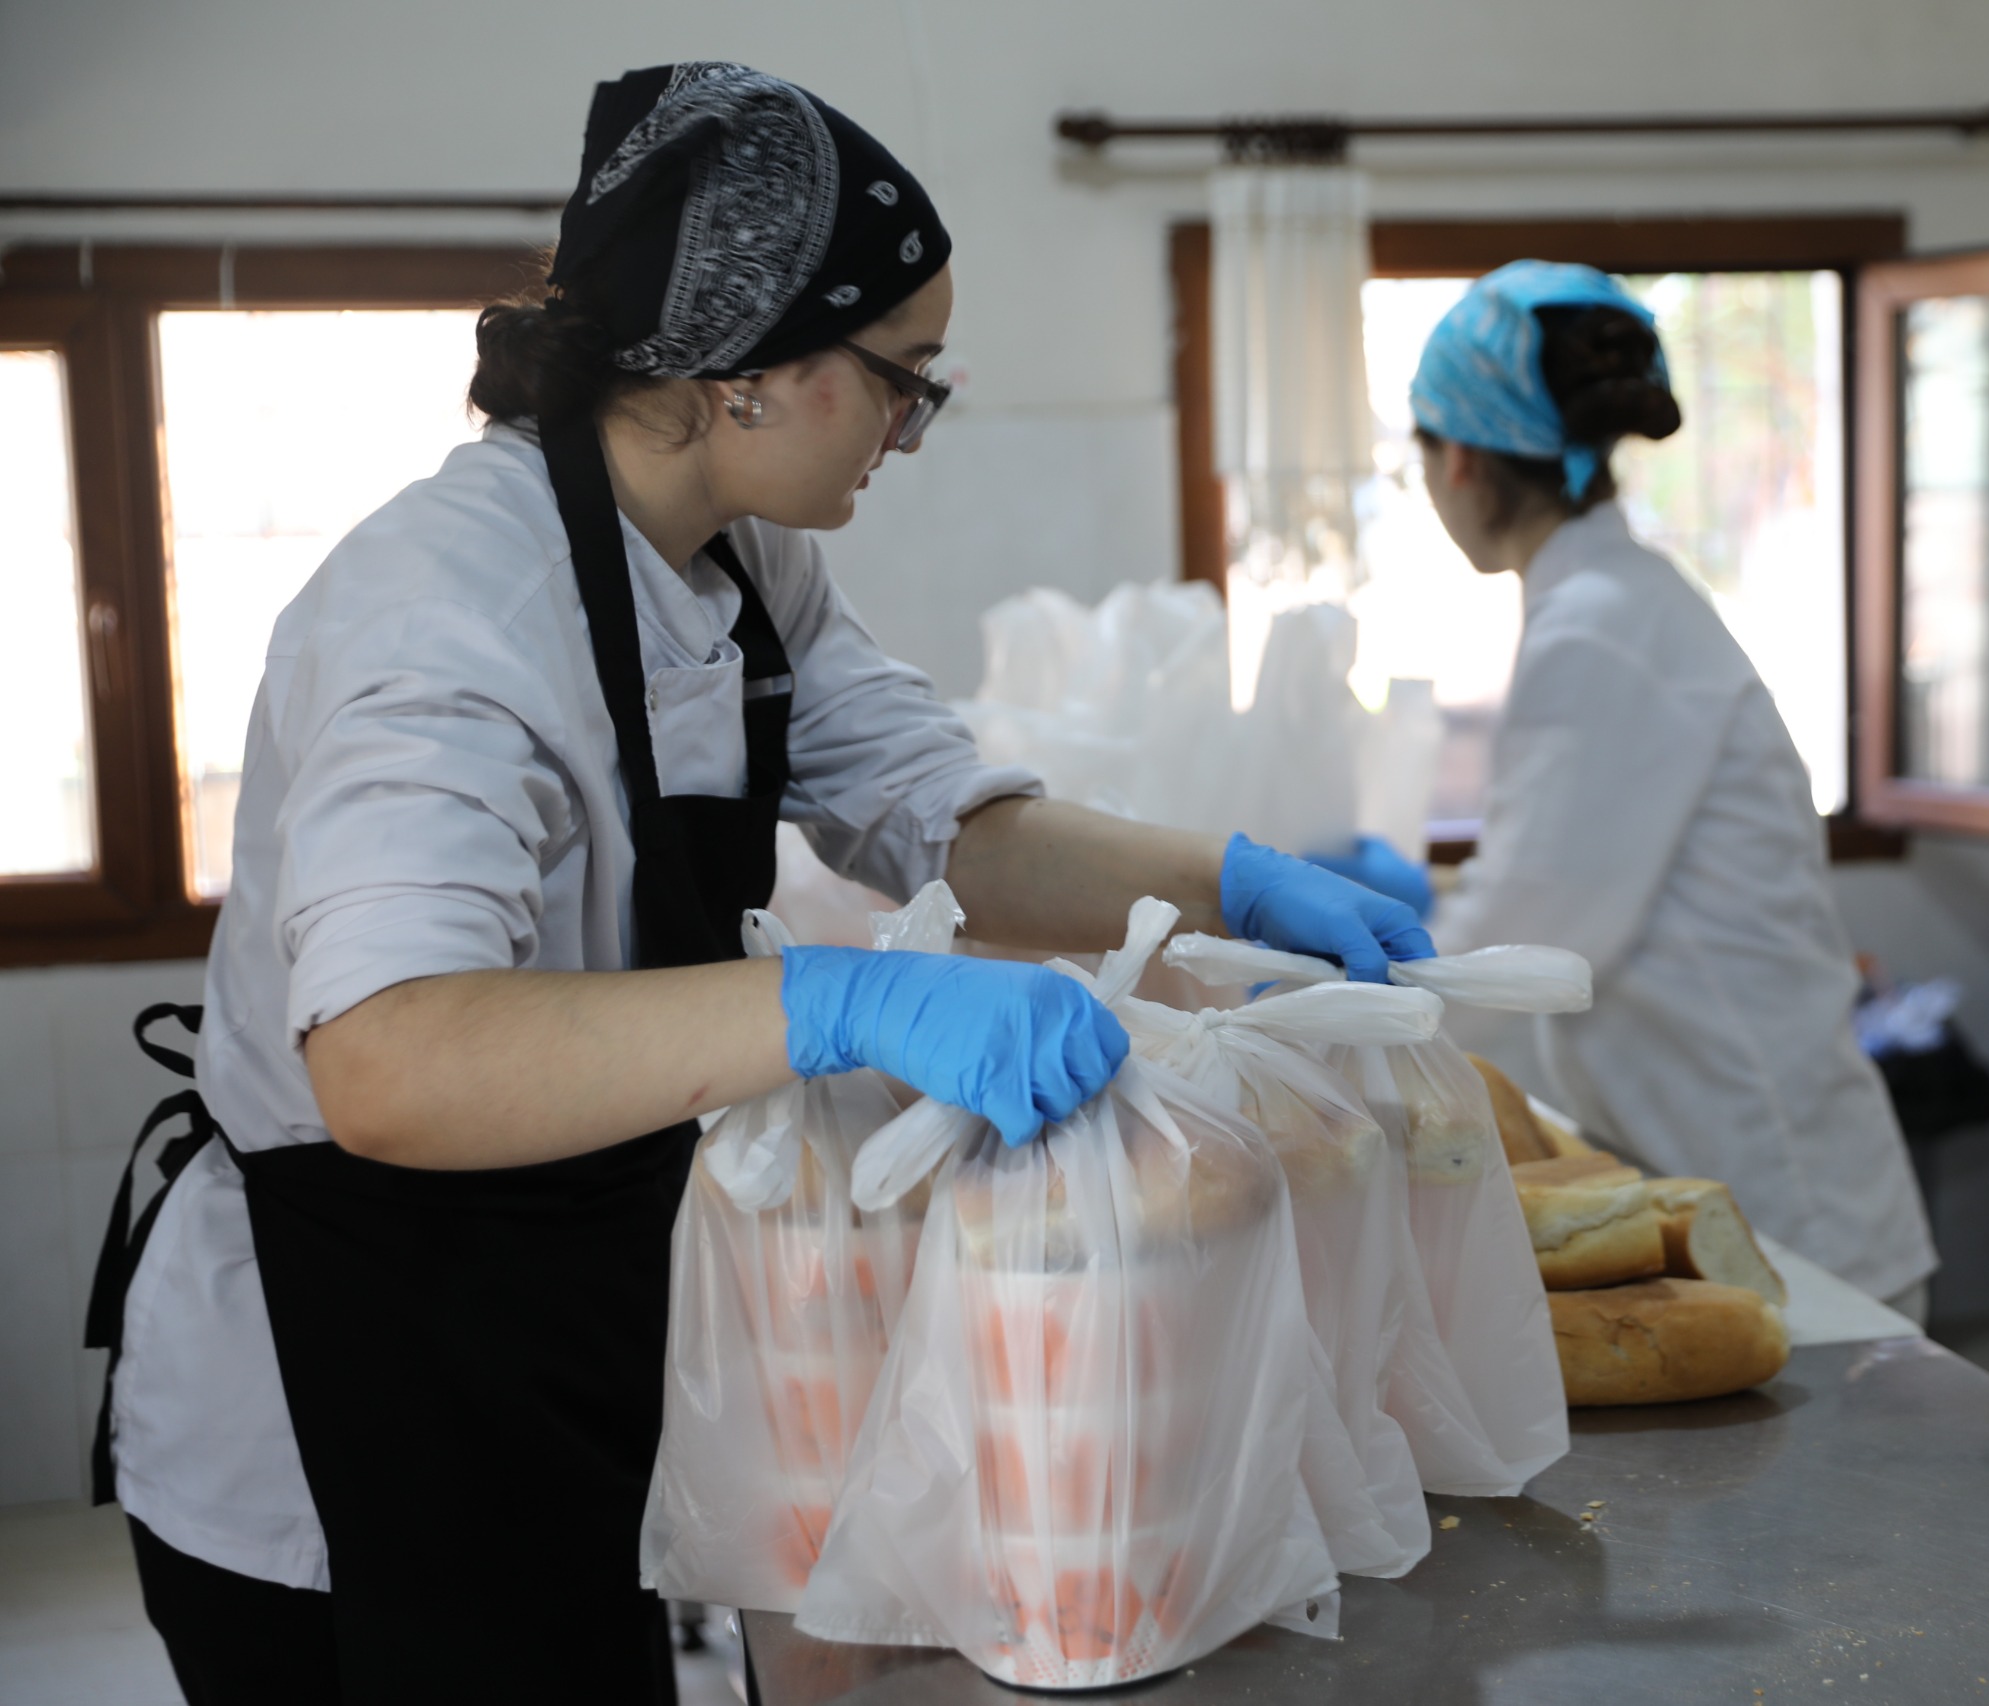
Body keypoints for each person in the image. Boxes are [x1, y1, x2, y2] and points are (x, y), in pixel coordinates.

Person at [87, 64, 1430, 1706]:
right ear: (737, 378)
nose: (912, 429)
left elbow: (946, 821)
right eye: (901, 379)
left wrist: (1227, 881)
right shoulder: (443, 614)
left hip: (567, 1308)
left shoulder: (739, 558)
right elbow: (392, 1057)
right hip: (347, 1387)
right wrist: (840, 995)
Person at [1399, 260, 1935, 1315]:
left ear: (1456, 457)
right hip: (1743, 1177)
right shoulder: (1608, 601)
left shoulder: (1598, 625)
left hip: (1789, 1210)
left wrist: (1328, 1023)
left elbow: (1530, 942)